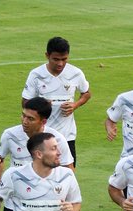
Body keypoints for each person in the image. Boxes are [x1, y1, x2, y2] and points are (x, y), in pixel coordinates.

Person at [22, 36, 91, 166]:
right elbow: (25, 103)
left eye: (64, 59)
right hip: (41, 136)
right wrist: (42, 105)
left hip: (67, 136)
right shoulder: (36, 75)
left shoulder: (76, 73)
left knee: (67, 175)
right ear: (47, 55)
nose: (60, 64)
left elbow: (86, 93)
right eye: (56, 59)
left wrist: (75, 105)